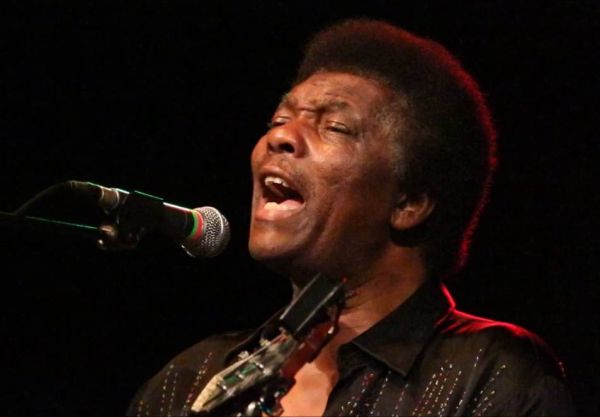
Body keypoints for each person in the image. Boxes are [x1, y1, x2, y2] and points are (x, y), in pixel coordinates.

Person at [127, 19, 574, 416]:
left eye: (334, 127)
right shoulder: (189, 381)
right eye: (278, 120)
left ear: (410, 203)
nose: (281, 137)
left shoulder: (489, 374)